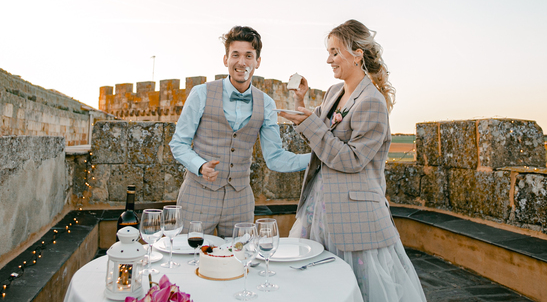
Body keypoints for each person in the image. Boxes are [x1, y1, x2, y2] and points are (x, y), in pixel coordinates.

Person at [279, 20, 426, 302]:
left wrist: (310, 122)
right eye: (329, 51)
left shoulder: (372, 101)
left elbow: (352, 160)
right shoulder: (335, 93)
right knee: (318, 286)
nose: (328, 59)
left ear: (357, 54)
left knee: (359, 288)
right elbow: (320, 135)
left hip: (354, 214)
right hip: (320, 207)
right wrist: (301, 104)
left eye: (335, 52)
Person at [170, 26, 310, 237]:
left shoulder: (267, 103)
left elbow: (275, 158)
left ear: (257, 62)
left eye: (248, 56)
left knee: (240, 261)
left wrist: (317, 158)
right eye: (235, 55)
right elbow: (178, 143)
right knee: (188, 259)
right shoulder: (201, 93)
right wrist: (199, 166)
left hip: (240, 201)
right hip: (197, 196)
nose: (241, 62)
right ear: (225, 59)